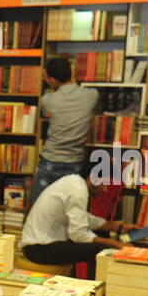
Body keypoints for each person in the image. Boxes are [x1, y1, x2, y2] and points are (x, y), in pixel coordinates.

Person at [20, 164, 132, 274]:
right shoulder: (78, 191)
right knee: (101, 250)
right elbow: (78, 234)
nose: (105, 190)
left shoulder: (73, 183)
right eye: (105, 184)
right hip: (39, 249)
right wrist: (114, 243)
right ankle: (94, 288)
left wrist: (113, 226)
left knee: (97, 241)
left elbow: (82, 217)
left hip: (42, 244)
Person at [33, 57, 98, 200]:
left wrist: (49, 81)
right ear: (71, 73)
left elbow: (47, 114)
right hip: (75, 163)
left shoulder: (47, 100)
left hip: (51, 160)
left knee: (41, 206)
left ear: (53, 80)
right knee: (69, 208)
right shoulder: (91, 95)